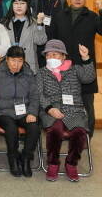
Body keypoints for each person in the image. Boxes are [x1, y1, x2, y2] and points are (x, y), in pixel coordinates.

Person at [48, 0, 102, 136]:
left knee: (87, 104)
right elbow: (52, 39)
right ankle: (66, 132)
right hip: (63, 67)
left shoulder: (92, 16)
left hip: (85, 66)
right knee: (63, 102)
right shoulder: (60, 15)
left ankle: (86, 136)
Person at [37, 40, 95, 182]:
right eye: (48, 55)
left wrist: (86, 58)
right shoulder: (42, 73)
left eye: (55, 54)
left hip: (74, 110)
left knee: (79, 132)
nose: (51, 58)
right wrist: (49, 109)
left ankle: (71, 163)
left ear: (63, 56)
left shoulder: (75, 69)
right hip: (52, 110)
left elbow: (89, 78)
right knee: (54, 131)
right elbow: (38, 94)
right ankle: (53, 163)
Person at [0, 46, 40, 178]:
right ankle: (13, 158)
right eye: (13, 61)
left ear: (23, 61)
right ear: (7, 60)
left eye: (20, 61)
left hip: (23, 112)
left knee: (34, 127)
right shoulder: (0, 70)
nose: (16, 64)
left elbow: (34, 95)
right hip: (2, 111)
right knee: (11, 128)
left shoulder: (28, 73)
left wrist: (32, 112)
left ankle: (25, 158)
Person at [24, 0, 68, 67]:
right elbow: (24, 1)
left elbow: (66, 19)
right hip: (39, 40)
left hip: (57, 40)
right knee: (40, 67)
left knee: (56, 68)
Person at [0, 0, 48, 74]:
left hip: (28, 65)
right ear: (12, 6)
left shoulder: (34, 23)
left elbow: (40, 41)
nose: (19, 6)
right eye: (16, 3)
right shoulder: (4, 23)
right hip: (8, 65)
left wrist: (39, 24)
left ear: (27, 6)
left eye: (22, 3)